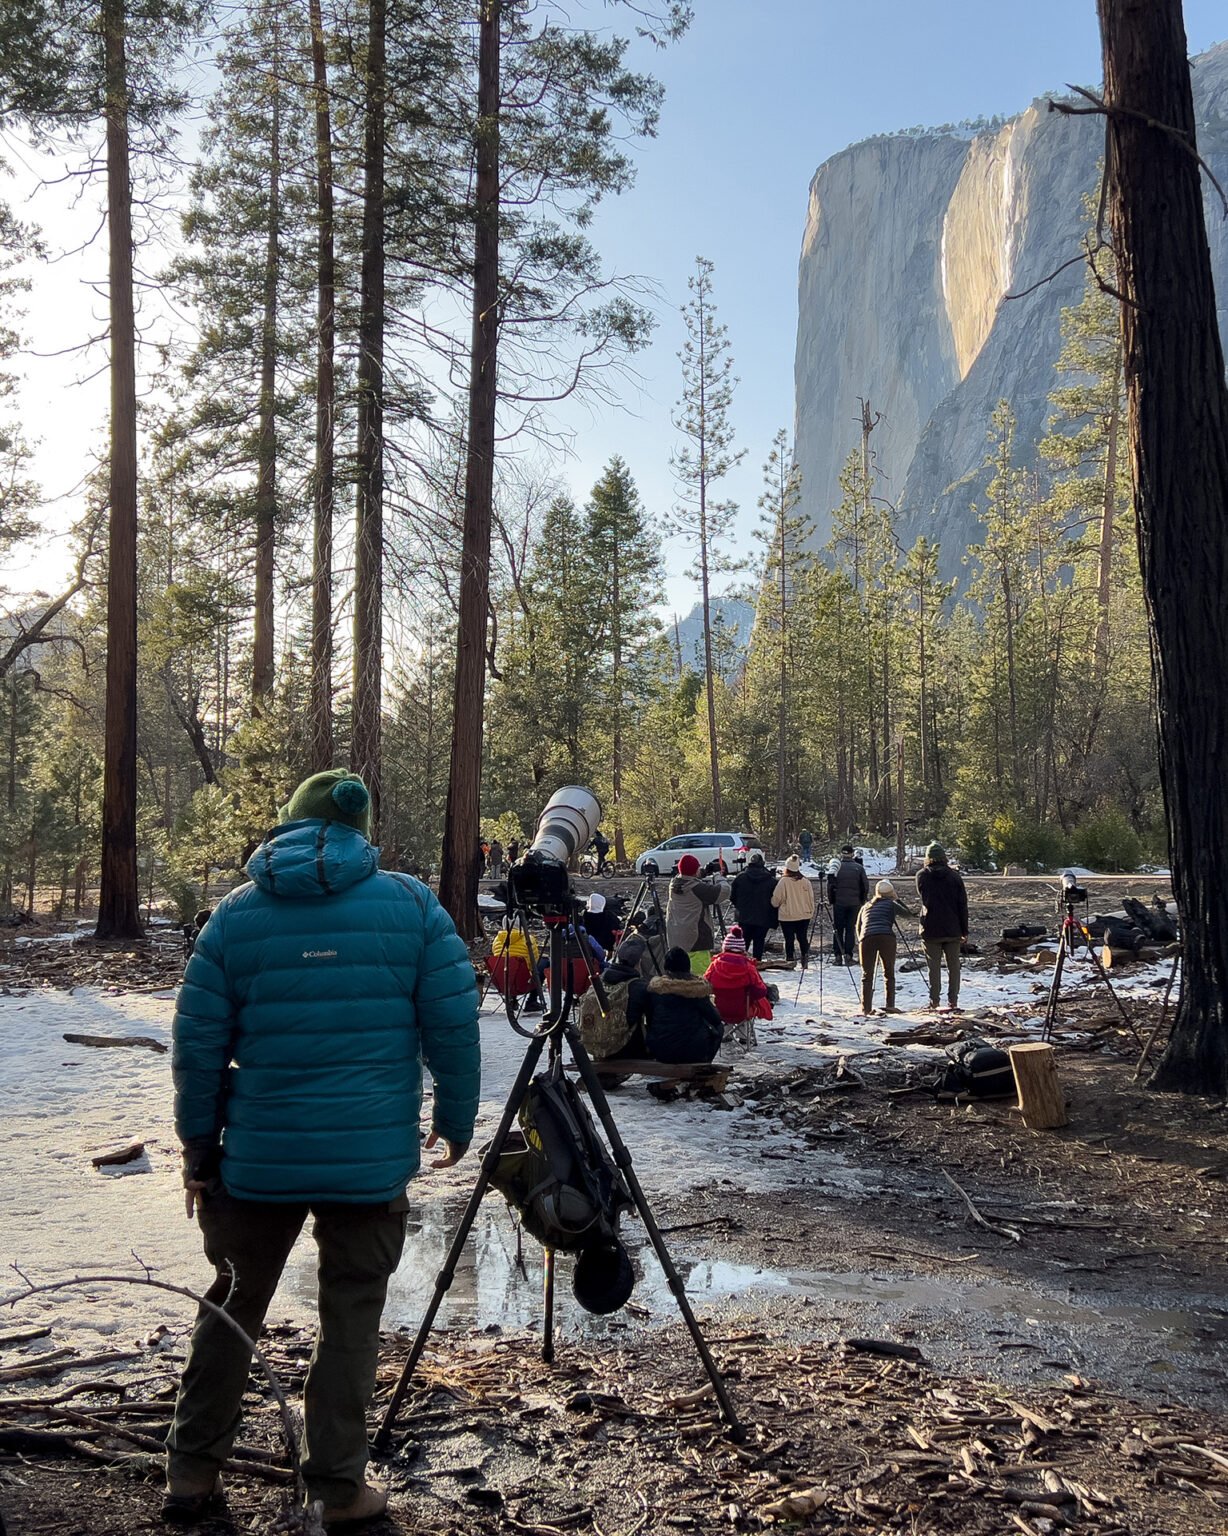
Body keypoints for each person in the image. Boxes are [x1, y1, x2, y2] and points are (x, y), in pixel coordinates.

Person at [166, 770, 480, 1530]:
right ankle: (336, 1489)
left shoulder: (235, 916)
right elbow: (454, 1027)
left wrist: (198, 1148)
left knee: (233, 1304)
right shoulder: (410, 906)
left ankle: (191, 1473)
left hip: (256, 1159)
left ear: (288, 823)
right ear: (361, 831)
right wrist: (457, 1117)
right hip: (368, 1161)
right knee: (351, 1317)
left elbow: (197, 1045)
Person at [641, 947, 724, 1063]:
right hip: (692, 1052)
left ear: (666, 968)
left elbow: (649, 1019)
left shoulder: (656, 990)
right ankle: (705, 1062)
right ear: (687, 967)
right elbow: (715, 1019)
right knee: (719, 1028)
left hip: (660, 1049)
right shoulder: (696, 990)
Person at [916, 841, 969, 1012]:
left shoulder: (921, 876)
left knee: (934, 967)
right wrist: (964, 929)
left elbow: (922, 896)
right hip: (953, 927)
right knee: (954, 967)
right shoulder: (955, 877)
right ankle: (953, 1000)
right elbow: (962, 905)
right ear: (944, 857)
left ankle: (934, 1001)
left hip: (930, 927)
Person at [705, 927, 772, 1046]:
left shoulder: (714, 966)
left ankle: (726, 1032)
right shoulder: (748, 967)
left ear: (725, 947)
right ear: (742, 949)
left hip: (720, 1010)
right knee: (749, 1002)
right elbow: (761, 991)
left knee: (725, 1002)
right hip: (743, 1011)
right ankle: (743, 1035)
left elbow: (704, 985)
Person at [855, 879, 912, 1015]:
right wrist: (897, 899)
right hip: (886, 937)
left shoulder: (866, 906)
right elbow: (908, 914)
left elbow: (858, 926)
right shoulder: (891, 904)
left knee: (867, 975)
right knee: (888, 972)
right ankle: (890, 1005)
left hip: (866, 938)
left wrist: (861, 939)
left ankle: (866, 1008)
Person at [665, 854, 729, 973]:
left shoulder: (675, 884)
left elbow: (688, 876)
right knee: (700, 978)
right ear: (695, 870)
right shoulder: (698, 889)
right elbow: (724, 891)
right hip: (696, 940)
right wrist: (718, 876)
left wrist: (705, 870)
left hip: (676, 938)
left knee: (680, 975)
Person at [730, 850, 778, 960]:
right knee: (759, 942)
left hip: (744, 917)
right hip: (763, 917)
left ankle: (741, 964)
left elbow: (732, 897)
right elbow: (775, 900)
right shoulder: (771, 881)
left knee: (743, 942)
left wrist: (740, 907)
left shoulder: (740, 878)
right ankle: (757, 964)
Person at [771, 855, 816, 966]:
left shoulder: (783, 882)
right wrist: (810, 912)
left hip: (787, 915)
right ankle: (804, 957)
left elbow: (776, 899)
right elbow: (811, 899)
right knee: (802, 937)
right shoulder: (806, 881)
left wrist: (774, 904)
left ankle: (790, 959)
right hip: (804, 915)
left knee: (789, 938)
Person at [829, 845, 869, 964]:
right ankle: (848, 955)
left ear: (841, 854)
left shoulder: (835, 868)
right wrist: (862, 900)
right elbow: (865, 886)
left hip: (839, 902)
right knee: (850, 929)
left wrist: (832, 900)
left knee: (838, 929)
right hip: (854, 903)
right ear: (852, 854)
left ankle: (837, 955)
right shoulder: (858, 868)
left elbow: (830, 885)